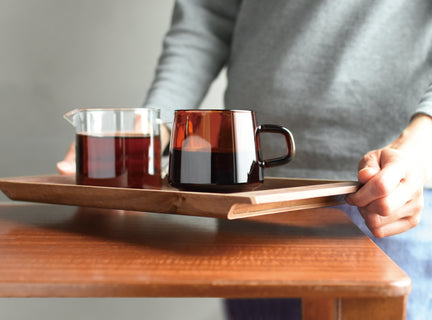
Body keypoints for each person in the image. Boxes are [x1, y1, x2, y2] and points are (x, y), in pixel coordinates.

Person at [58, 0, 432, 318]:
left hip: (388, 200)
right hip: (247, 203)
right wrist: (149, 132)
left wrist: (415, 151)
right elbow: (205, 20)